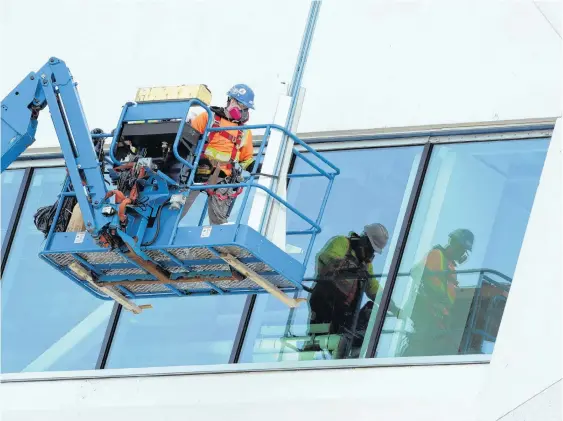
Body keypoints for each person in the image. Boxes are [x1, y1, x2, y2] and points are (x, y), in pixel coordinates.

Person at [307, 223, 390, 358]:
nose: (370, 254)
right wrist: (351, 269)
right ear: (364, 240)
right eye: (370, 249)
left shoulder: (365, 265)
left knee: (371, 311)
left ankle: (352, 354)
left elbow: (373, 288)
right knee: (320, 337)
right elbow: (327, 259)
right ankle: (313, 348)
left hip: (343, 312)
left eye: (373, 251)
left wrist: (394, 306)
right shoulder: (342, 243)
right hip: (326, 301)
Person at [184, 84, 257, 225]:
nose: (242, 109)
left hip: (222, 177)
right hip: (198, 170)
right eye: (240, 104)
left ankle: (217, 243)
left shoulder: (245, 132)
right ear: (230, 100)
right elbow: (188, 140)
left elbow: (245, 159)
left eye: (245, 107)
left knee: (218, 219)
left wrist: (257, 167)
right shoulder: (209, 117)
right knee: (180, 206)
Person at [401, 228, 475, 357]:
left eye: (463, 251)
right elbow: (430, 281)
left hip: (438, 313)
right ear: (453, 243)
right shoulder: (437, 254)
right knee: (422, 344)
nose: (461, 253)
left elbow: (450, 291)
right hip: (426, 308)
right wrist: (444, 299)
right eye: (460, 249)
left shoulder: (451, 267)